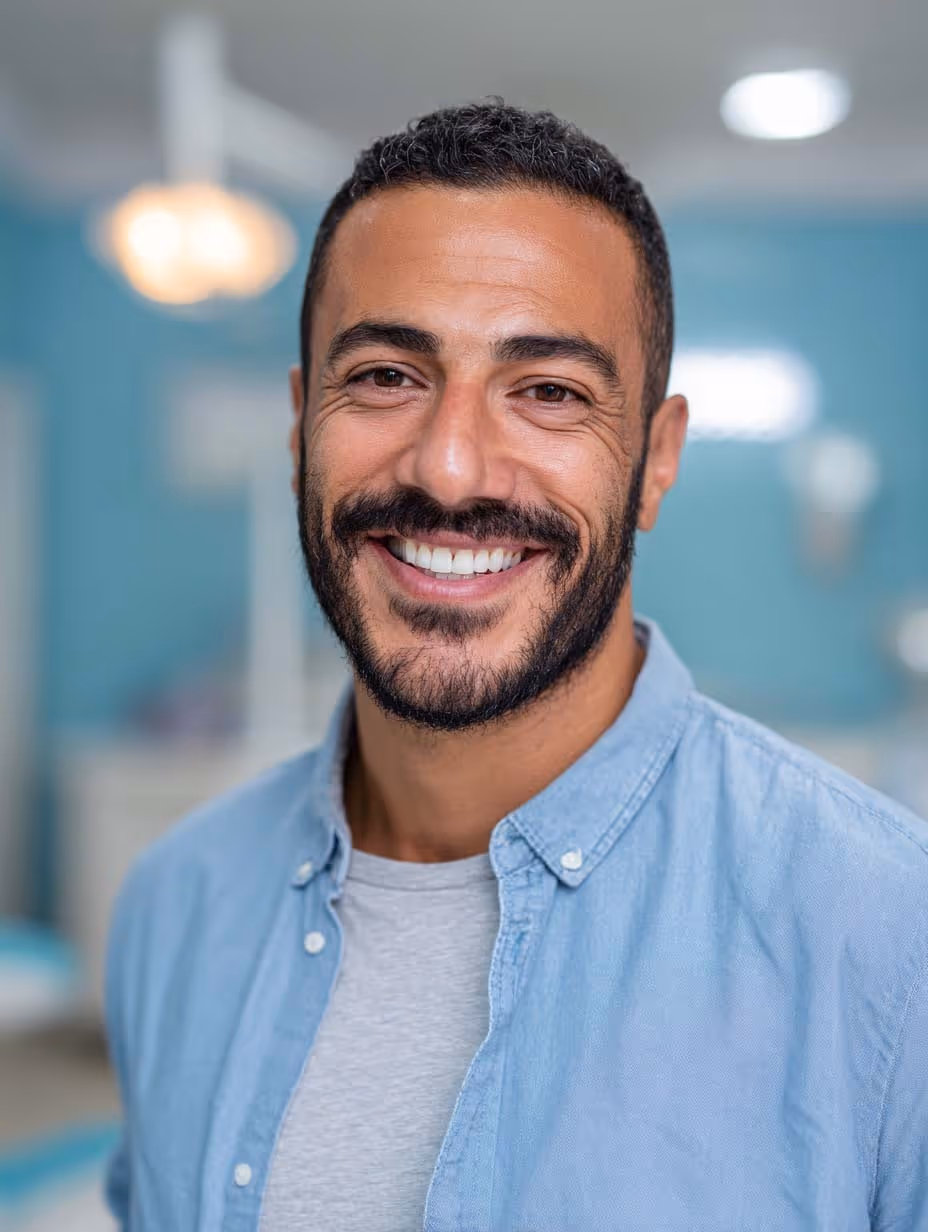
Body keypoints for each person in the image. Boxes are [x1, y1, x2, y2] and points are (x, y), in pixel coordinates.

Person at [102, 100, 928, 1231]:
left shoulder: (887, 933)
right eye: (387, 374)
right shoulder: (175, 903)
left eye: (548, 390)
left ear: (654, 458)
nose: (448, 468)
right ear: (301, 430)